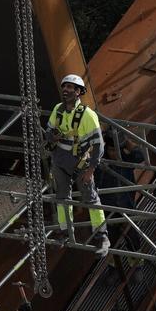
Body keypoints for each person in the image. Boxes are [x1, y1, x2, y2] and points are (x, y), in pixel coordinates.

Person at [46, 73, 109, 256]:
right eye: (64, 87)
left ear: (79, 92)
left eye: (70, 88)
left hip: (81, 164)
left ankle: (102, 236)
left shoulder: (88, 116)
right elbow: (49, 132)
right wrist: (53, 136)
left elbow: (99, 145)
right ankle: (64, 232)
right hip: (60, 162)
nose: (65, 90)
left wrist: (91, 170)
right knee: (62, 198)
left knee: (90, 198)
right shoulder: (58, 110)